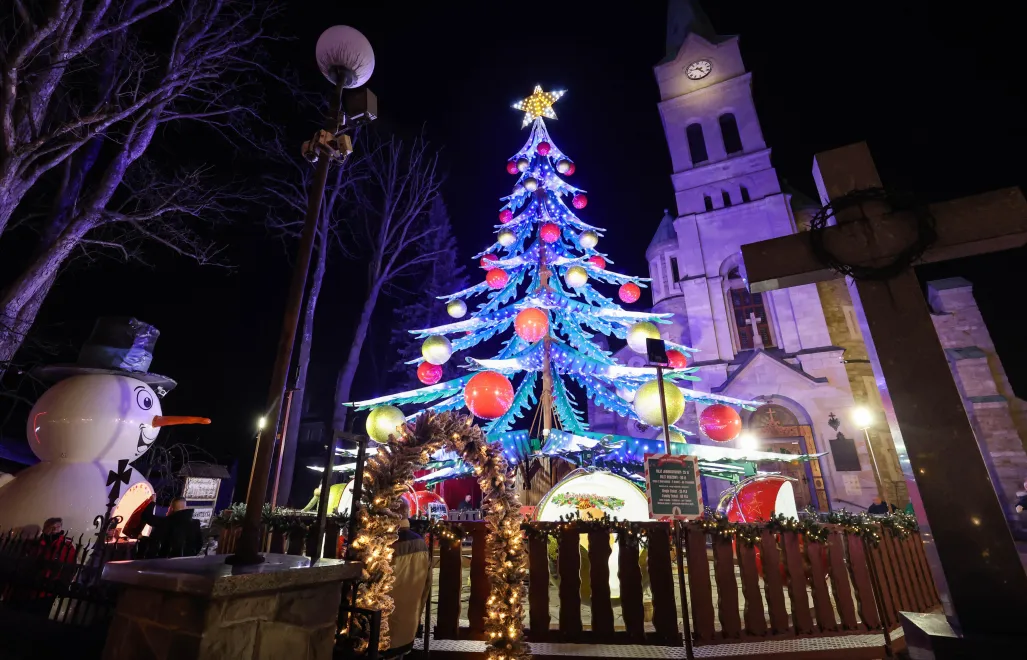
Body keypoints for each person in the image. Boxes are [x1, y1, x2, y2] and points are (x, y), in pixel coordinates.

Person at [387, 498, 431, 657]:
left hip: (383, 627)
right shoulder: (421, 543)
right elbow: (427, 585)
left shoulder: (386, 544)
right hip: (408, 626)